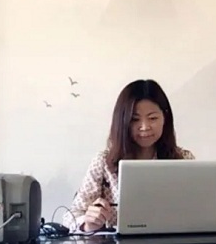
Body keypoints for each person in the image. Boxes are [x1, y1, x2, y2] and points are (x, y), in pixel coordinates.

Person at [62, 79, 195, 232]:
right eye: (135, 119)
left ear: (165, 118)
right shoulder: (103, 162)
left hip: (172, 242)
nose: (145, 127)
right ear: (123, 122)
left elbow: (198, 209)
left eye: (153, 118)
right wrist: (87, 223)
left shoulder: (183, 160)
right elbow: (70, 216)